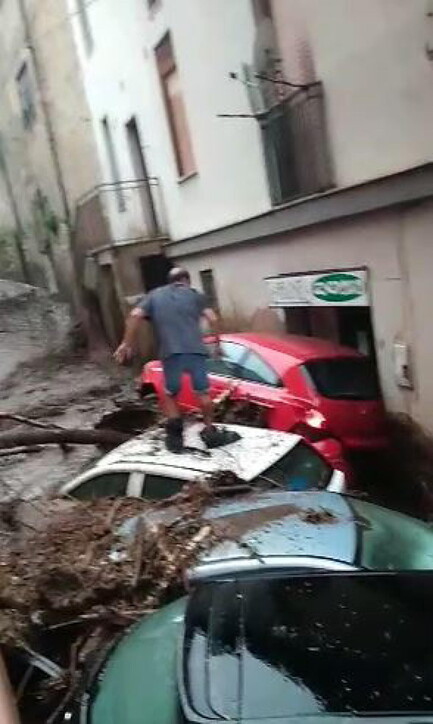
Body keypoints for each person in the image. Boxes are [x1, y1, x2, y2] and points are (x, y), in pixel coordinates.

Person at [114, 267, 239, 452]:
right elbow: (212, 318)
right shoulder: (196, 295)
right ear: (187, 280)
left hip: (170, 353)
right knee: (203, 394)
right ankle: (210, 432)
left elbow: (134, 315)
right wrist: (218, 343)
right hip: (196, 351)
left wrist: (126, 344)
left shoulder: (154, 295)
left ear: (170, 281)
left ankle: (175, 437)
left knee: (171, 393)